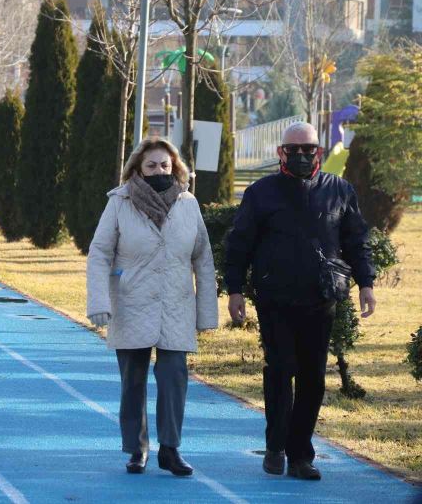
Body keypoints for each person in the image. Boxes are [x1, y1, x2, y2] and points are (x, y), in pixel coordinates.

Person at [224, 122, 376, 481]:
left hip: (320, 300)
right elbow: (239, 244)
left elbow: (356, 240)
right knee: (280, 371)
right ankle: (275, 447)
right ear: (281, 152)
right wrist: (235, 290)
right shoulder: (260, 193)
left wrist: (366, 284)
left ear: (318, 151)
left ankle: (300, 455)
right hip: (274, 299)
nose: (302, 155)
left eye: (309, 149)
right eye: (293, 149)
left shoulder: (340, 190)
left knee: (313, 378)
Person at [86, 138, 217, 476]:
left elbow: (203, 258)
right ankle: (136, 448)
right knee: (133, 381)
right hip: (131, 302)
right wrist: (99, 301)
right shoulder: (119, 202)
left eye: (165, 165)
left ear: (175, 167)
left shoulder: (188, 203)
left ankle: (170, 449)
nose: (159, 170)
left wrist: (206, 313)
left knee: (174, 377)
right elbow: (99, 253)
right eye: (151, 165)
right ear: (138, 169)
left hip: (176, 305)